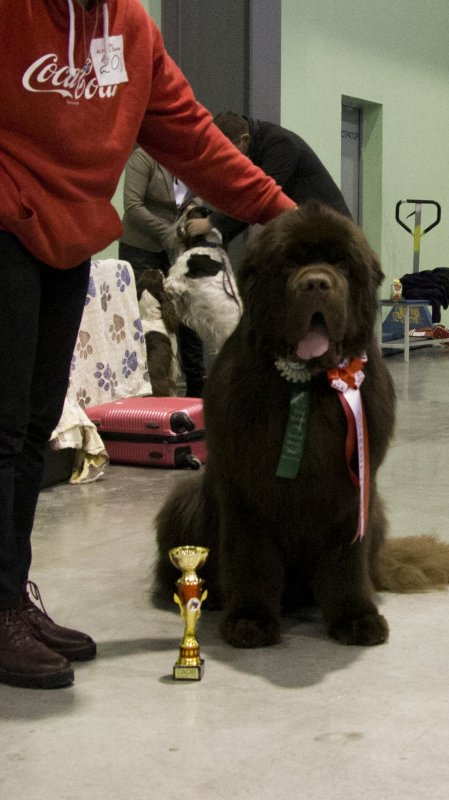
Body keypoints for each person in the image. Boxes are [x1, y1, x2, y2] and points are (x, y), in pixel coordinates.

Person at [0, 0, 296, 690]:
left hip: (69, 242)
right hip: (5, 228)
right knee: (3, 433)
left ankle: (9, 595)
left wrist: (283, 211)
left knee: (33, 429)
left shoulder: (129, 26)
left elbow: (190, 136)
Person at [118, 146, 208, 397]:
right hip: (140, 248)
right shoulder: (143, 158)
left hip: (179, 247)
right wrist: (167, 232)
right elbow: (132, 205)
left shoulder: (193, 156)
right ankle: (143, 389)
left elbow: (200, 193)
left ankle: (197, 389)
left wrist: (192, 211)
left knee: (188, 312)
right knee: (144, 319)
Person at [209, 111, 351, 243]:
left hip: (332, 233)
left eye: (228, 152)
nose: (226, 160)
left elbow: (259, 197)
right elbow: (249, 204)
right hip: (308, 229)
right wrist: (216, 235)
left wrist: (212, 223)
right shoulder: (258, 146)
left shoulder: (281, 144)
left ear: (245, 139)